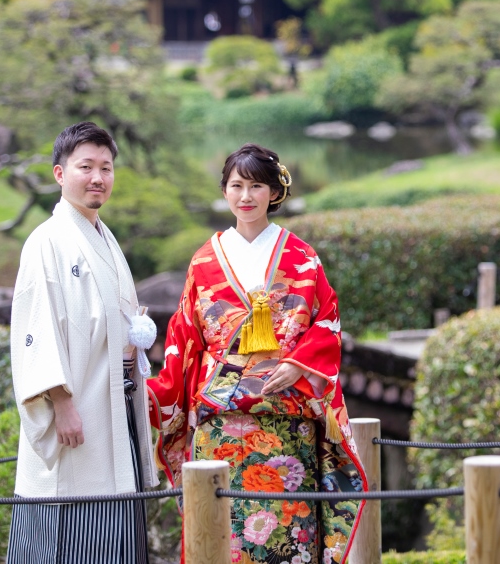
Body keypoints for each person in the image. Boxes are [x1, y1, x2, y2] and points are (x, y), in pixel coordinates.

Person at [149, 143, 365, 564]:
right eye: (236, 186)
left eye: (256, 186)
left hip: (286, 413)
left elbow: (327, 320)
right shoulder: (204, 259)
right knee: (221, 534)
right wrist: (160, 390)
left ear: (274, 192)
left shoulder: (302, 256)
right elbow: (185, 335)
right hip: (221, 419)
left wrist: (296, 363)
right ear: (225, 191)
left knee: (289, 533)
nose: (245, 196)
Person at [6, 122, 158, 563]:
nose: (98, 178)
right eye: (85, 167)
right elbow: (37, 328)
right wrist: (60, 402)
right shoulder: (46, 241)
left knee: (114, 515)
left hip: (115, 401)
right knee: (70, 521)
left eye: (106, 168)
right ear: (59, 174)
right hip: (77, 408)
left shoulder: (104, 237)